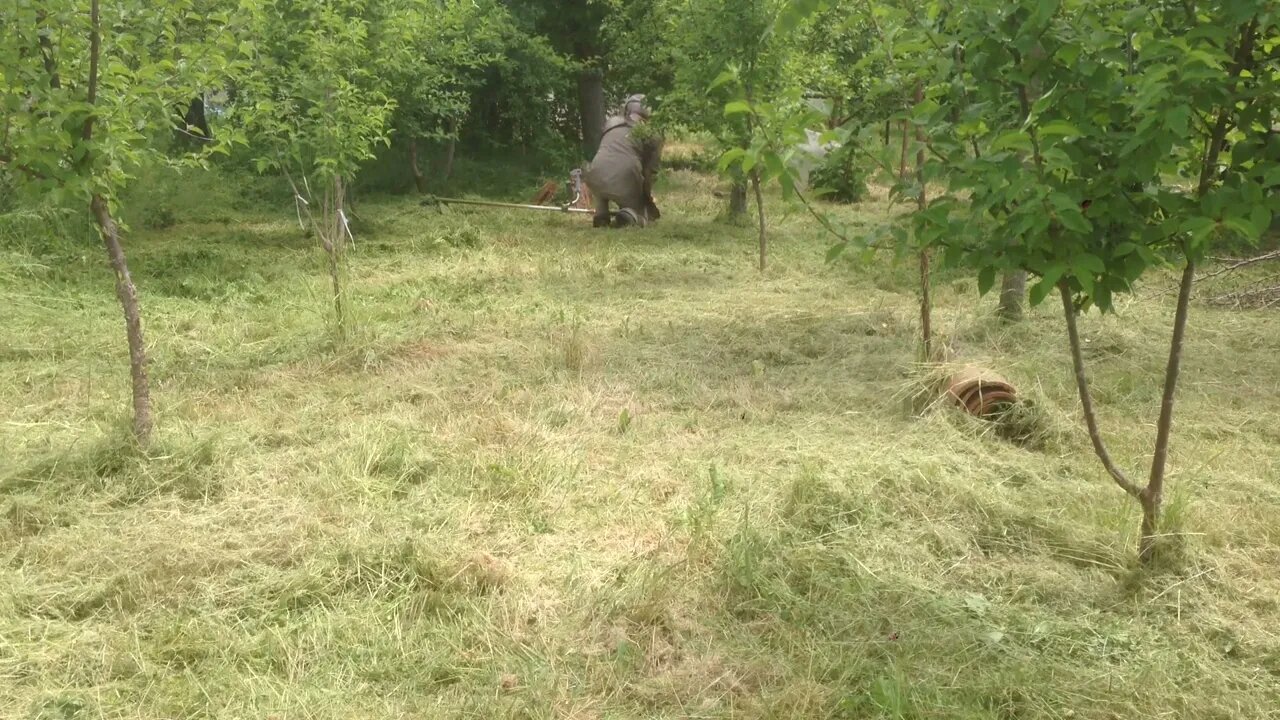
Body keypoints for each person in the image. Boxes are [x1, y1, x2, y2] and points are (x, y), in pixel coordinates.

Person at [582, 94, 663, 228]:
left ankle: (601, 213)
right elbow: (650, 173)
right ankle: (628, 215)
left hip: (595, 174)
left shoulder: (611, 123)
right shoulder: (652, 134)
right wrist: (647, 200)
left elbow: (605, 152)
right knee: (640, 214)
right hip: (624, 178)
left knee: (603, 177)